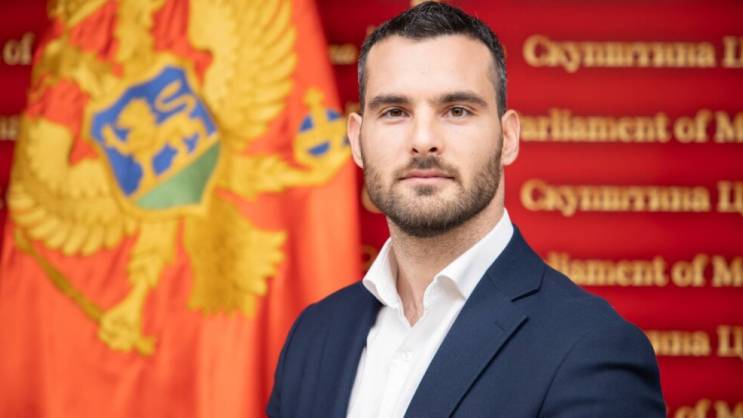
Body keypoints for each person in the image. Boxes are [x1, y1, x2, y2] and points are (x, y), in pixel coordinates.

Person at [267, 2, 666, 417]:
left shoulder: (591, 349)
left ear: (507, 138)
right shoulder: (313, 337)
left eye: (457, 111)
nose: (423, 140)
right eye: (395, 112)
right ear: (357, 141)